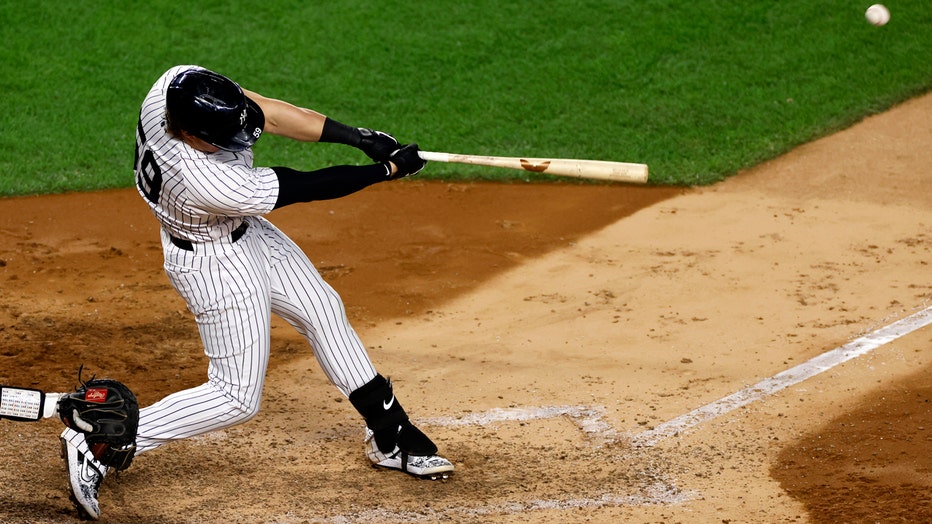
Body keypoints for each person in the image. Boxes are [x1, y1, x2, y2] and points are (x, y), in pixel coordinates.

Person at [59, 65, 454, 520]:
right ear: (188, 133)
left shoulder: (176, 85)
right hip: (212, 261)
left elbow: (272, 112)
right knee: (235, 397)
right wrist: (385, 170)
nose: (240, 139)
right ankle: (99, 439)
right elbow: (305, 186)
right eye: (224, 138)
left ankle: (392, 436)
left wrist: (359, 137)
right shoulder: (205, 180)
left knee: (321, 309)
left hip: (246, 233)